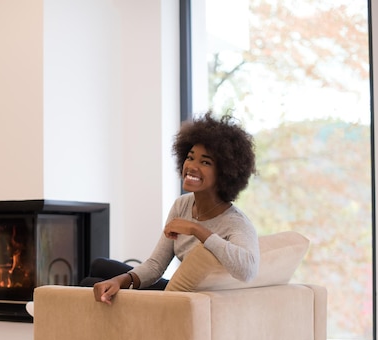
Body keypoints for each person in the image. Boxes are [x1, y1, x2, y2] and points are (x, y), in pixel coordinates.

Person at [88, 111, 260, 305]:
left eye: (205, 162)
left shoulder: (235, 222)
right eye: (190, 157)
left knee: (89, 282)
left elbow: (248, 270)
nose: (192, 166)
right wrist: (121, 280)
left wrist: (197, 230)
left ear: (225, 173)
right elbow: (155, 266)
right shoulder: (183, 204)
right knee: (99, 267)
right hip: (173, 288)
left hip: (185, 300)